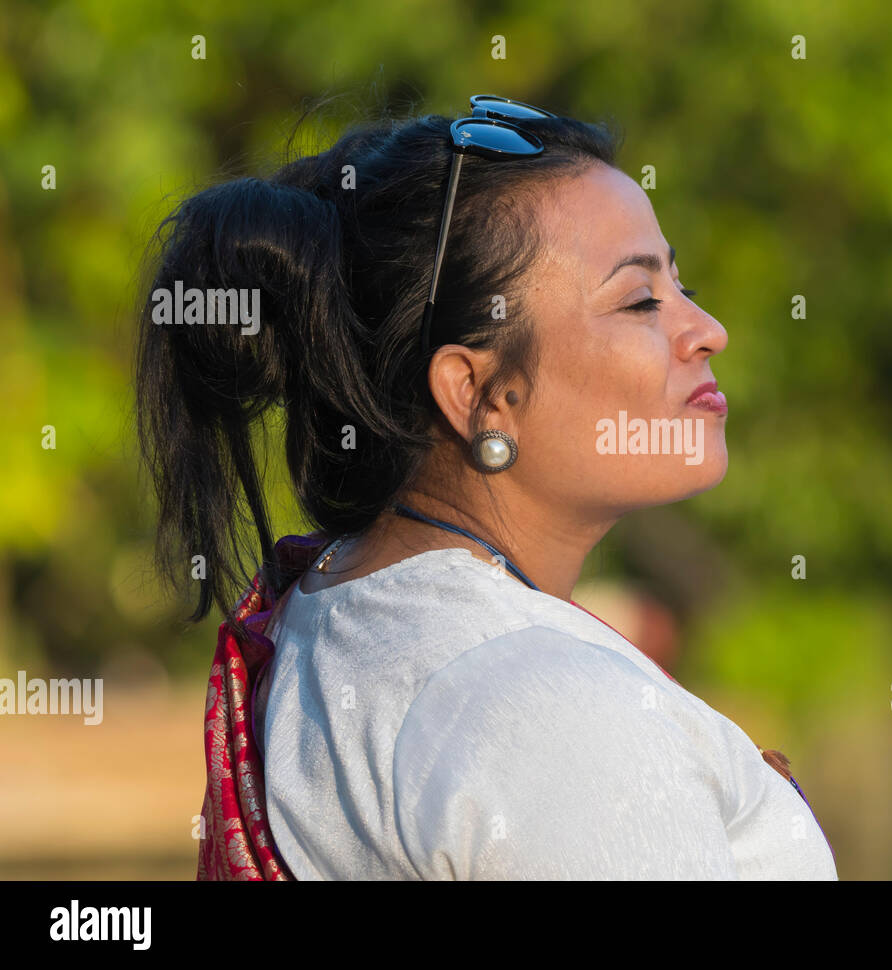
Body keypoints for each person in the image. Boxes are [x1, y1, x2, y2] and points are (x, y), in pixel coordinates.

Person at [136, 93, 837, 880]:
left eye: (682, 284)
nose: (708, 330)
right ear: (478, 394)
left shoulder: (326, 611)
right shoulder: (563, 713)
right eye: (641, 300)